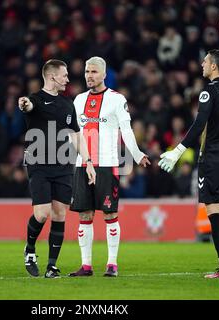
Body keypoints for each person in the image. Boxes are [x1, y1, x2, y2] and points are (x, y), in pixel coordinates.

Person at [158, 49, 219, 278]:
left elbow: (199, 125)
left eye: (205, 61)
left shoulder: (209, 91)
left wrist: (177, 151)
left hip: (213, 158)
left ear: (214, 66)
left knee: (214, 213)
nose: (202, 64)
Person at [69, 56, 150, 277]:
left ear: (104, 75)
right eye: (87, 71)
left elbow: (127, 130)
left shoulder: (116, 99)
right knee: (84, 215)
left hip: (107, 165)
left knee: (109, 214)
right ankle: (86, 266)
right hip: (83, 165)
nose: (89, 75)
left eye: (94, 72)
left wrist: (137, 154)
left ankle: (111, 264)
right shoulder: (78, 100)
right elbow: (73, 134)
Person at [18, 59, 96, 278]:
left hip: (63, 165)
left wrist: (88, 162)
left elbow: (76, 136)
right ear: (52, 77)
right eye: (64, 75)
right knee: (42, 214)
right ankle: (30, 250)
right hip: (39, 164)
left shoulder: (67, 104)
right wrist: (23, 103)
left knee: (60, 214)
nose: (68, 79)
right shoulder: (35, 100)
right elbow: (27, 105)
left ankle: (52, 266)